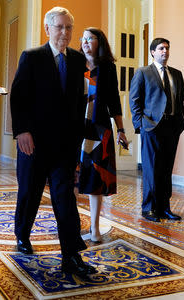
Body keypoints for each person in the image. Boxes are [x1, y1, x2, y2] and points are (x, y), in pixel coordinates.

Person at [10, 7, 96, 277]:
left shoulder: (76, 60)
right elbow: (18, 97)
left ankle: (71, 255)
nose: (64, 33)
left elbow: (78, 102)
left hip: (64, 146)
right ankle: (22, 235)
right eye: (59, 27)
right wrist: (22, 131)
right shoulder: (32, 57)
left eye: (69, 28)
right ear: (48, 29)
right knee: (29, 193)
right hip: (33, 143)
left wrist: (80, 138)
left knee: (65, 198)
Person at [77, 28, 128, 242]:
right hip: (75, 128)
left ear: (99, 42)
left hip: (99, 129)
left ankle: (95, 229)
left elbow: (114, 101)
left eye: (90, 38)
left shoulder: (107, 67)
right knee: (73, 177)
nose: (86, 41)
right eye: (84, 38)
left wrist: (121, 130)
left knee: (95, 180)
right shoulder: (74, 63)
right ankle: (72, 225)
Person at [129, 38, 184, 222]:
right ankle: (149, 209)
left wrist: (179, 121)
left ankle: (164, 208)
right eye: (161, 48)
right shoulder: (143, 72)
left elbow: (181, 100)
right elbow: (134, 100)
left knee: (166, 169)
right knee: (151, 168)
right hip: (151, 127)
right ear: (152, 52)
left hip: (172, 127)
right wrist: (140, 124)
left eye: (167, 48)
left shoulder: (176, 74)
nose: (165, 51)